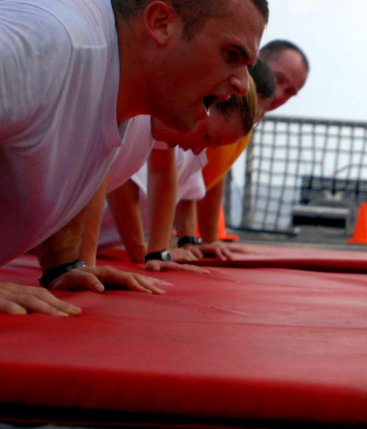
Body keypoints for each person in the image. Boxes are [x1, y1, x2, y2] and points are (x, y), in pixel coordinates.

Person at [0, 0, 268, 316]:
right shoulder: (51, 40)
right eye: (231, 55)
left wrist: (64, 265)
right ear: (160, 23)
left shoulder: (113, 79)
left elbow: (70, 151)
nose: (240, 84)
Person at [98, 75, 260, 271]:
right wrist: (79, 262)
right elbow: (108, 182)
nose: (200, 149)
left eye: (211, 145)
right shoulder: (135, 112)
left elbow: (165, 175)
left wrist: (159, 252)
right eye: (207, 136)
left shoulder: (167, 134)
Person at [183, 40, 309, 260]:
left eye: (290, 92)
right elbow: (169, 173)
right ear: (255, 60)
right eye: (278, 79)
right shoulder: (213, 107)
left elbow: (213, 176)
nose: (279, 94)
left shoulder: (244, 123)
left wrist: (210, 239)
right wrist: (162, 247)